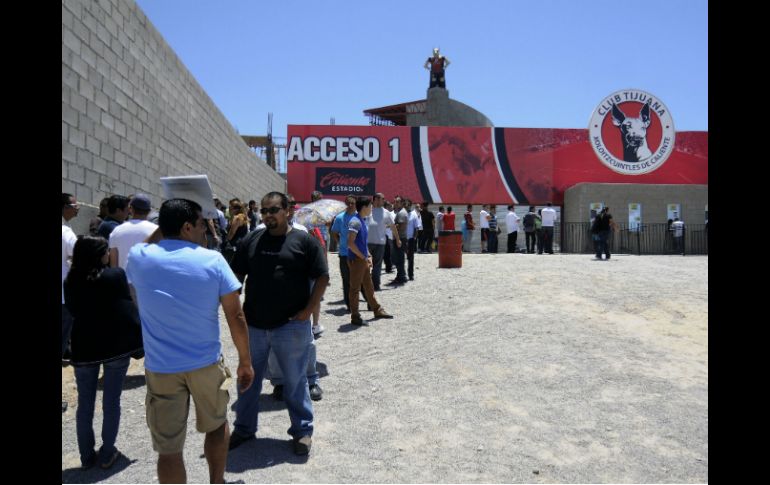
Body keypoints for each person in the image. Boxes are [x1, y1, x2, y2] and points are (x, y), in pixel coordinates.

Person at [126, 199, 254, 483]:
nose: (205, 230)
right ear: (187, 227)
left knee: (169, 450)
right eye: (200, 224)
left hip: (161, 369)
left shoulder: (139, 256)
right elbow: (236, 316)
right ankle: (216, 481)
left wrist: (165, 225)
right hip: (205, 364)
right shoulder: (212, 260)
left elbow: (147, 246)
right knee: (217, 426)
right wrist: (246, 361)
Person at [229, 192, 329, 456]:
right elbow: (236, 276)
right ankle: (244, 428)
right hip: (254, 327)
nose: (268, 215)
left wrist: (308, 310)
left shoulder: (304, 242)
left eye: (273, 210)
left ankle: (302, 432)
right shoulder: (251, 240)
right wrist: (231, 304)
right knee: (248, 380)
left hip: (290, 326)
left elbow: (322, 277)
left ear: (287, 210)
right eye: (264, 211)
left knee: (296, 382)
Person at [64, 236, 144, 470]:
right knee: (111, 401)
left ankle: (86, 456)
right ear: (100, 254)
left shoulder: (70, 280)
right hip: (114, 346)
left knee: (85, 404)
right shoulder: (115, 275)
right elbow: (126, 304)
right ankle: (108, 452)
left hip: (84, 347)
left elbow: (73, 309)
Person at [347, 196, 394, 325]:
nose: (372, 208)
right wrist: (363, 257)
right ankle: (355, 316)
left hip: (362, 259)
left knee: (369, 286)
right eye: (370, 206)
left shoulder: (362, 220)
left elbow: (362, 243)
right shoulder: (355, 222)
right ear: (364, 207)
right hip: (356, 260)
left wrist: (368, 255)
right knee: (355, 289)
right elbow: (350, 243)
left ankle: (377, 309)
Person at [108, 193, 158, 269]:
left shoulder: (117, 230)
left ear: (131, 209)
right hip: (145, 280)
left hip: (122, 279)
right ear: (149, 211)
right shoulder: (157, 231)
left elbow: (113, 264)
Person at [367, 193, 399, 290]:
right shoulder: (367, 210)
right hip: (366, 243)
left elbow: (393, 226)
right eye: (382, 199)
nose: (384, 200)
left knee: (377, 265)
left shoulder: (386, 212)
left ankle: (375, 285)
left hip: (380, 243)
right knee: (365, 265)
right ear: (376, 199)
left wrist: (397, 239)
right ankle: (365, 285)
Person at [62, 193, 80, 363]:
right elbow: (78, 257)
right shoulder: (66, 232)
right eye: (75, 206)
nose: (78, 209)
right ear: (65, 208)